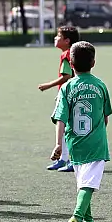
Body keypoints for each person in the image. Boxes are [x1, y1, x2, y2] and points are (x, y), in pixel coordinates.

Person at [51, 41, 111, 222]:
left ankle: (89, 221)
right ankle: (76, 218)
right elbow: (105, 117)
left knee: (83, 182)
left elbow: (60, 117)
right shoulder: (100, 85)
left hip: (74, 142)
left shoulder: (66, 88)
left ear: (71, 63)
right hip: (96, 143)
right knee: (88, 184)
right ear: (94, 62)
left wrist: (58, 144)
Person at [38, 25, 80, 171]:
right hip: (72, 94)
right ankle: (63, 159)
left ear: (67, 40)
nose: (55, 38)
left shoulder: (66, 55)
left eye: (58, 36)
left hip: (68, 96)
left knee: (65, 127)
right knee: (64, 128)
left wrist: (48, 85)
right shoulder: (73, 53)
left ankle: (70, 160)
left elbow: (67, 76)